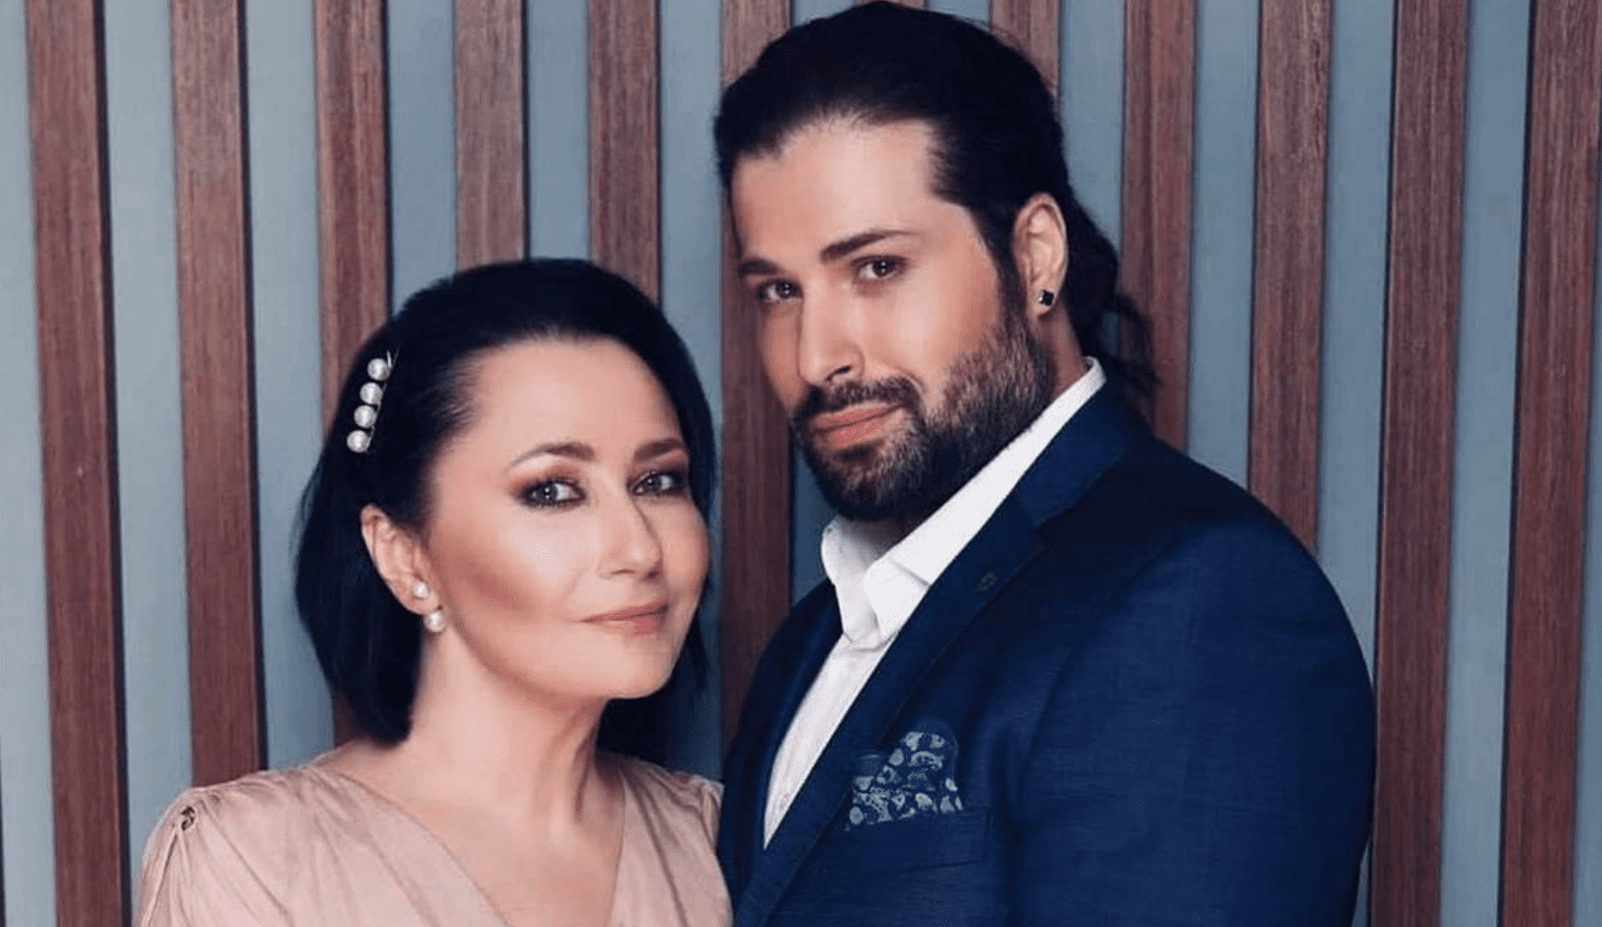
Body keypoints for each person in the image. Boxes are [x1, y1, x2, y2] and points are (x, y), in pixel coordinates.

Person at [712, 4, 1375, 926]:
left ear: (1034, 256)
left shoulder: (1203, 604)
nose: (819, 354)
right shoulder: (811, 640)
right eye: (778, 290)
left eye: (876, 268)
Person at [136, 259, 731, 927]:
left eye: (658, 482)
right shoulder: (254, 862)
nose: (640, 549)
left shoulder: (722, 844)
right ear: (404, 554)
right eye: (552, 491)